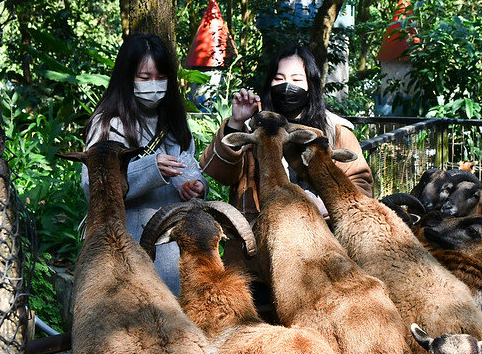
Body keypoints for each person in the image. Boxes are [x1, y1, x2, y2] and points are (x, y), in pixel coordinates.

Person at [199, 44, 373, 270]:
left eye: (297, 79)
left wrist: (330, 204)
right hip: (258, 255)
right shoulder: (253, 128)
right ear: (269, 83)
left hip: (321, 253)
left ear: (311, 85)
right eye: (279, 78)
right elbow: (221, 174)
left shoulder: (335, 131)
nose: (287, 85)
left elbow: (360, 185)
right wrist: (236, 122)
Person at [81, 34, 207, 294]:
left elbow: (191, 166)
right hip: (126, 248)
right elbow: (91, 186)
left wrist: (195, 186)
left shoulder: (176, 123)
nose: (154, 85)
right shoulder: (109, 124)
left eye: (161, 77)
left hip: (176, 246)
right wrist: (151, 169)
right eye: (144, 77)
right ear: (127, 77)